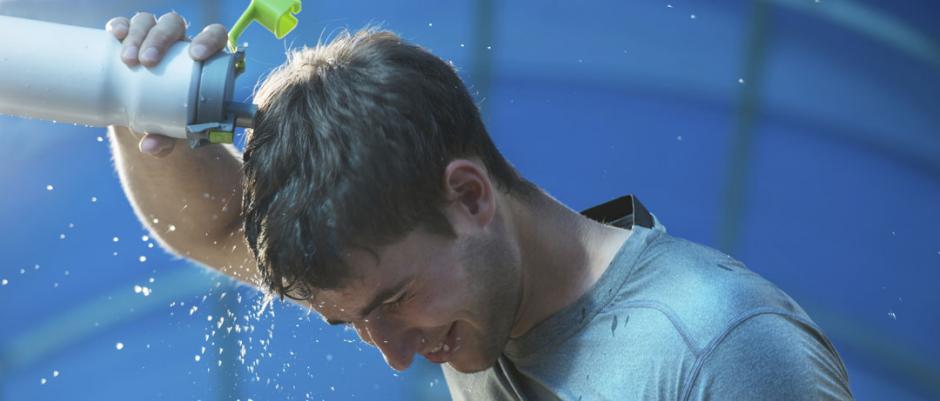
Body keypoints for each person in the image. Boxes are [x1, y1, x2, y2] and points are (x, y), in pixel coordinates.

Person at [103, 11, 854, 401]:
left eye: (395, 300)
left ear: (469, 195)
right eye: (353, 321)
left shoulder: (722, 350)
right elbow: (213, 227)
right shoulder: (463, 304)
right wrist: (136, 110)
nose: (394, 353)